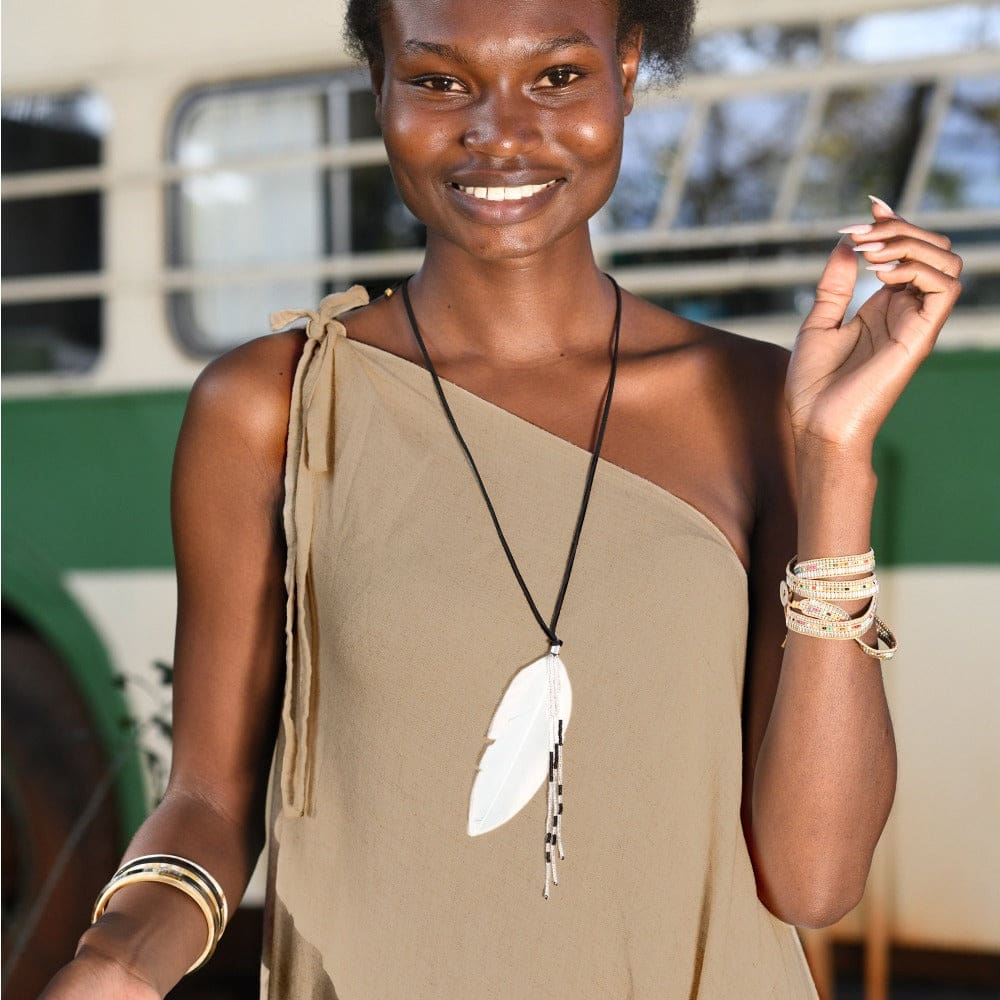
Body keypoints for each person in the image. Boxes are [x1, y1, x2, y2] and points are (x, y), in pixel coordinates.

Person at [41, 0, 963, 997]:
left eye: (557, 77)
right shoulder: (270, 407)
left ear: (624, 67)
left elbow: (813, 877)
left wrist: (833, 463)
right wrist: (120, 957)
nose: (498, 133)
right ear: (378, 88)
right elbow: (209, 801)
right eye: (439, 81)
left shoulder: (757, 403)